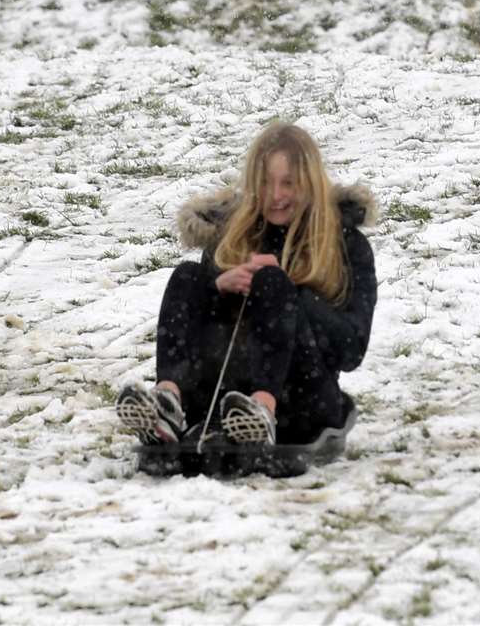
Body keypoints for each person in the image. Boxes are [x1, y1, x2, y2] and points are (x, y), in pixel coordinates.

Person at [116, 122, 377, 452]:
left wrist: (290, 293)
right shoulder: (234, 238)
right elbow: (206, 327)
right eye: (265, 184)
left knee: (272, 283)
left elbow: (351, 350)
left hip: (303, 400)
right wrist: (217, 289)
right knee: (187, 277)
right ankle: (168, 404)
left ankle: (263, 410)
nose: (276, 195)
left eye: (288, 184)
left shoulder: (347, 245)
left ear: (310, 185)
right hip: (223, 403)